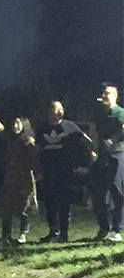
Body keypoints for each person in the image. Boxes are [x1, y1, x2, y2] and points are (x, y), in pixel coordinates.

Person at [36, 100, 88, 243]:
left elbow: (84, 139)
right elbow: (37, 148)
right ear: (49, 111)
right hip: (48, 170)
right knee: (50, 201)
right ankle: (53, 231)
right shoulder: (42, 128)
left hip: (65, 170)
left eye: (60, 109)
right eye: (54, 108)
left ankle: (64, 233)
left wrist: (91, 152)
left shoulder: (69, 126)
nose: (57, 111)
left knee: (64, 202)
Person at [89, 83, 124, 242]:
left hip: (117, 155)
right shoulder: (100, 114)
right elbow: (95, 132)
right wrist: (94, 149)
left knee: (117, 192)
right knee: (97, 193)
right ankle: (104, 227)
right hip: (102, 157)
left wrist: (113, 140)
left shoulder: (119, 112)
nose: (104, 95)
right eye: (103, 93)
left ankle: (117, 230)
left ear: (115, 96)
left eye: (108, 93)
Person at [0, 117, 41, 244]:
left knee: (24, 208)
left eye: (18, 123)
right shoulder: (11, 140)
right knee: (7, 207)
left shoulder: (28, 141)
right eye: (13, 123)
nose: (15, 125)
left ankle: (23, 234)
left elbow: (35, 160)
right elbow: (0, 128)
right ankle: (6, 235)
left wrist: (38, 173)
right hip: (11, 177)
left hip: (25, 178)